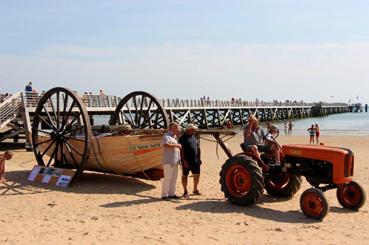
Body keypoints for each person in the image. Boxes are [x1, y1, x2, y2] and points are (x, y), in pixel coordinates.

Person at [179, 123, 202, 198]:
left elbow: (198, 148)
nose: (195, 130)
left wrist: (199, 158)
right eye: (193, 129)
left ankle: (195, 189)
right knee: (185, 175)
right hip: (186, 160)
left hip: (195, 160)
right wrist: (184, 161)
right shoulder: (182, 138)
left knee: (197, 175)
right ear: (189, 129)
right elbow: (181, 151)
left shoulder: (195, 136)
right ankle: (185, 191)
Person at [161, 122, 182, 200]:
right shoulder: (166, 136)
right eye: (177, 128)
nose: (178, 129)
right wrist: (177, 145)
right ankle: (164, 195)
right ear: (172, 128)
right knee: (167, 178)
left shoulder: (175, 137)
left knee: (174, 178)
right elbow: (165, 144)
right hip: (168, 161)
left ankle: (172, 194)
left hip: (175, 162)